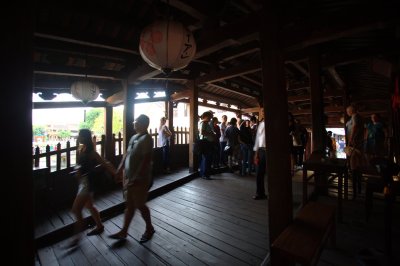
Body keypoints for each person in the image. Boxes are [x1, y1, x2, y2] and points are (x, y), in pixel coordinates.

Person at [68, 129, 118, 247]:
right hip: (83, 182)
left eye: (80, 135)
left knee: (76, 209)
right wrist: (77, 170)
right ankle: (99, 226)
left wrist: (116, 174)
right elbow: (80, 166)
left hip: (87, 183)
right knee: (89, 206)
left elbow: (105, 163)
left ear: (84, 137)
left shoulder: (92, 152)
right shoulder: (82, 149)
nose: (78, 137)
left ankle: (77, 237)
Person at [109, 114, 155, 242]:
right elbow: (127, 154)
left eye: (137, 121)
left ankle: (149, 228)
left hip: (140, 178)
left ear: (144, 124)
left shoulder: (147, 138)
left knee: (140, 204)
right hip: (130, 177)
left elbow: (146, 160)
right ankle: (124, 231)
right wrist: (120, 169)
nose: (134, 123)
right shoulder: (134, 137)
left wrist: (137, 177)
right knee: (129, 205)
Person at [345, 105, 364, 199]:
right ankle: (358, 189)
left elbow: (355, 127)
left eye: (347, 111)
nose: (347, 112)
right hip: (356, 144)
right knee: (356, 166)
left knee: (354, 166)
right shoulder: (354, 117)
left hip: (354, 144)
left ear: (351, 110)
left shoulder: (355, 116)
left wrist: (350, 140)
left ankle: (355, 191)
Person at [252, 109, 267, 200]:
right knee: (259, 173)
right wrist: (256, 153)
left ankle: (275, 194)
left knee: (272, 174)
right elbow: (257, 139)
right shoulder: (261, 124)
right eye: (262, 111)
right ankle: (260, 193)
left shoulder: (274, 122)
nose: (263, 112)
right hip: (261, 151)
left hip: (271, 151)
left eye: (265, 110)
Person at [198, 111, 216, 179]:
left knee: (207, 158)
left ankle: (205, 173)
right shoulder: (203, 123)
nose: (211, 118)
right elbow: (202, 132)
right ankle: (204, 174)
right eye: (210, 117)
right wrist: (211, 134)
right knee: (206, 158)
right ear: (206, 116)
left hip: (208, 143)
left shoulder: (207, 123)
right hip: (205, 142)